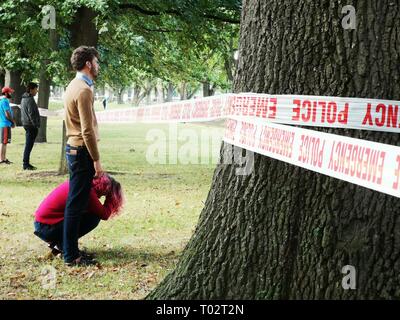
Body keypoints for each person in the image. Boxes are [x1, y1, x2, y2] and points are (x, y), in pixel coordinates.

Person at [63, 46, 104, 266]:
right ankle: (71, 255)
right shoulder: (84, 90)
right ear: (88, 63)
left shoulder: (74, 85)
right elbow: (87, 130)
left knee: (75, 202)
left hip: (73, 149)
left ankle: (70, 250)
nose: (98, 66)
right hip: (81, 151)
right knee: (76, 204)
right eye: (96, 62)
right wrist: (96, 159)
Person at [34, 174, 124, 259]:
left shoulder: (80, 183)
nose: (100, 197)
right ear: (104, 188)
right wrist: (111, 198)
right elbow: (104, 214)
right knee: (94, 217)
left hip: (42, 225)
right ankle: (65, 245)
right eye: (104, 194)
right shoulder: (87, 191)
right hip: (46, 228)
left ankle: (63, 244)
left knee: (87, 214)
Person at [21, 82, 41, 170]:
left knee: (28, 145)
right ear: (31, 89)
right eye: (36, 89)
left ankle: (26, 163)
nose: (37, 91)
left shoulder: (24, 98)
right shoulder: (29, 99)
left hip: (26, 123)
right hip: (30, 125)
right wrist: (36, 125)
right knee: (28, 145)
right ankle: (26, 164)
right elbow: (32, 114)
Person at [0, 86, 16, 164]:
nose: (11, 93)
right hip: (5, 124)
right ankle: (2, 159)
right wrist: (12, 122)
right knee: (3, 142)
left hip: (5, 124)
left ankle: (4, 158)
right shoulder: (4, 101)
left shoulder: (3, 101)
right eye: (9, 92)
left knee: (4, 142)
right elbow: (7, 114)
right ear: (6, 93)